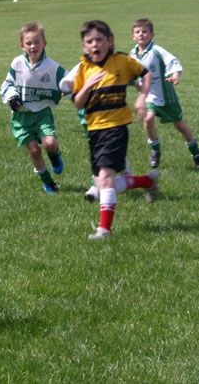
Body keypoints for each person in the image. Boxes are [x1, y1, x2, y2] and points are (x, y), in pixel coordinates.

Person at [70, 20, 159, 239]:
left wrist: (142, 96)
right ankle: (147, 181)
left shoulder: (122, 61)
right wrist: (88, 85)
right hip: (95, 131)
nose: (94, 45)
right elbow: (78, 103)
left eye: (99, 40)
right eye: (89, 41)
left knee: (106, 178)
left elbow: (145, 74)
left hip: (116, 128)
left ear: (110, 42)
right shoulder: (83, 68)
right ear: (84, 46)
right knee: (102, 183)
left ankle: (104, 230)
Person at [0, 21, 67, 194]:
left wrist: (69, 90)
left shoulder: (52, 67)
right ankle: (48, 182)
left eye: (37, 42)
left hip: (42, 113)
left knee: (50, 143)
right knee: (35, 151)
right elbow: (7, 85)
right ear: (22, 46)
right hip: (22, 117)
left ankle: (54, 156)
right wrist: (12, 99)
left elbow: (69, 81)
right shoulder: (17, 64)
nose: (33, 46)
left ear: (44, 43)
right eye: (28, 43)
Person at [130, 18, 199, 168]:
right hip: (150, 96)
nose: (141, 35)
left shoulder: (157, 50)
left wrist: (176, 76)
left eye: (145, 32)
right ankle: (155, 151)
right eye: (137, 32)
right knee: (148, 119)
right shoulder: (132, 54)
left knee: (180, 126)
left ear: (152, 34)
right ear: (133, 36)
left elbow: (174, 62)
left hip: (166, 96)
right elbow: (130, 74)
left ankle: (196, 152)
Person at [61, 64, 133, 202]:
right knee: (101, 153)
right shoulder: (82, 66)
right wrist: (68, 88)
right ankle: (124, 168)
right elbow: (65, 83)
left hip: (106, 119)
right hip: (87, 119)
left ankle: (95, 189)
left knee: (100, 154)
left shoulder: (111, 64)